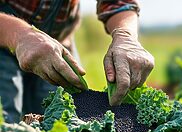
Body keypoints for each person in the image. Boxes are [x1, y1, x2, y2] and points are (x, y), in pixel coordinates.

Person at [0, 0, 154, 123]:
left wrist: (125, 35)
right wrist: (20, 36)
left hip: (56, 46)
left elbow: (118, 2)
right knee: (6, 127)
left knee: (62, 124)